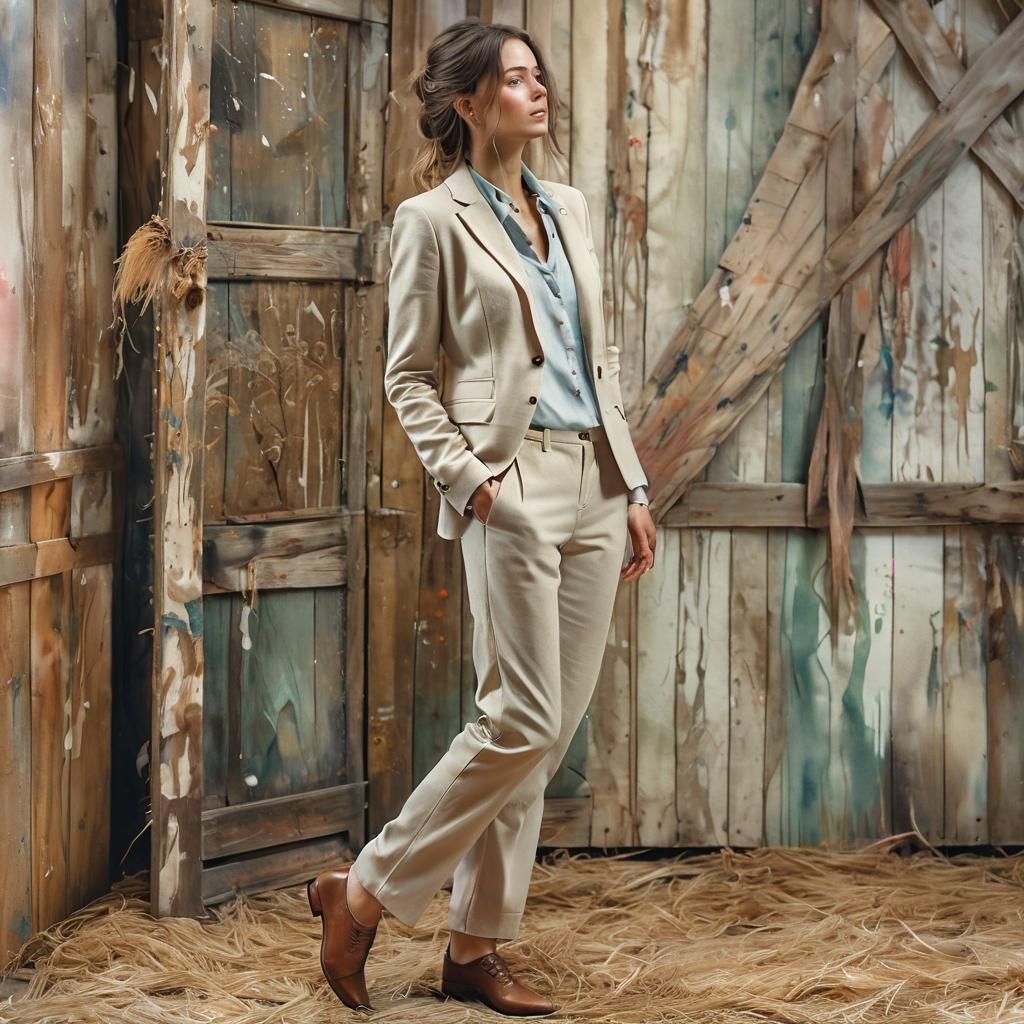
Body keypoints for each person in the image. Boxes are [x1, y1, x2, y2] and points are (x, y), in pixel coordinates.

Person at [306, 16, 656, 1016]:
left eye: (538, 76)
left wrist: (631, 485)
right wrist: (474, 485)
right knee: (519, 718)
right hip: (511, 484)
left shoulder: (569, 207)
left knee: (542, 737)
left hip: (595, 482)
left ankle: (472, 948)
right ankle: (363, 891)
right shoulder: (430, 221)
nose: (538, 90)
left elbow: (598, 360)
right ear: (467, 103)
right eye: (514, 79)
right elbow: (408, 378)